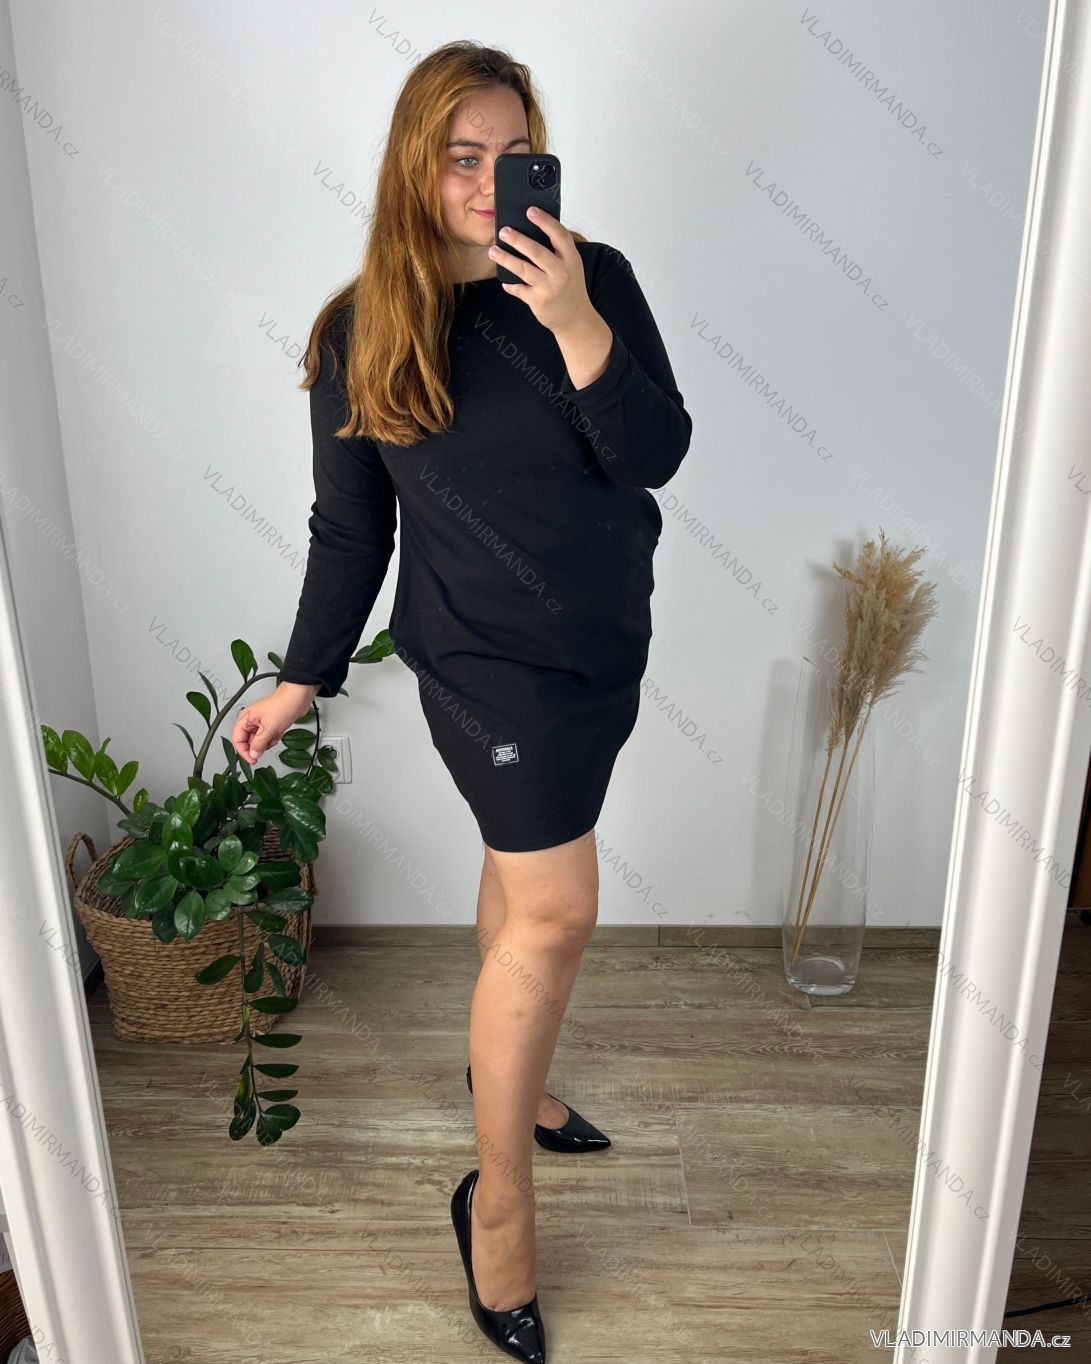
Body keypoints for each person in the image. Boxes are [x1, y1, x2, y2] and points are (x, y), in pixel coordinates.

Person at [231, 40, 692, 1363]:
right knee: (559, 910)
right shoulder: (360, 331)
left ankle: (511, 1081)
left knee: (517, 886)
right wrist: (303, 673)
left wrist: (577, 321)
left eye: (515, 154)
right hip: (483, 668)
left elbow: (655, 455)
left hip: (603, 646)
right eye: (462, 158)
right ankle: (498, 1206)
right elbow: (350, 531)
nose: (492, 184)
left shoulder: (596, 279)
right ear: (414, 167)